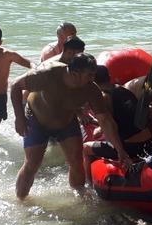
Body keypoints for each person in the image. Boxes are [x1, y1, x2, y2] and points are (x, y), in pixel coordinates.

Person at [10, 54, 131, 199]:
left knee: (76, 160)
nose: (93, 79)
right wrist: (19, 118)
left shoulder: (91, 89)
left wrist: (120, 150)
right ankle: (21, 202)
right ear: (74, 74)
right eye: (90, 75)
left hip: (66, 121)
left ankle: (78, 196)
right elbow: (15, 86)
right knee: (32, 164)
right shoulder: (47, 74)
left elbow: (105, 120)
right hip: (37, 120)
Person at [83, 66, 152, 182]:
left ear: (93, 82)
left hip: (130, 148)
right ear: (109, 77)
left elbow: (109, 125)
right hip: (148, 142)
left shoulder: (103, 98)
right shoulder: (124, 90)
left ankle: (89, 184)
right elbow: (123, 118)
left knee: (85, 148)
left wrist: (120, 151)